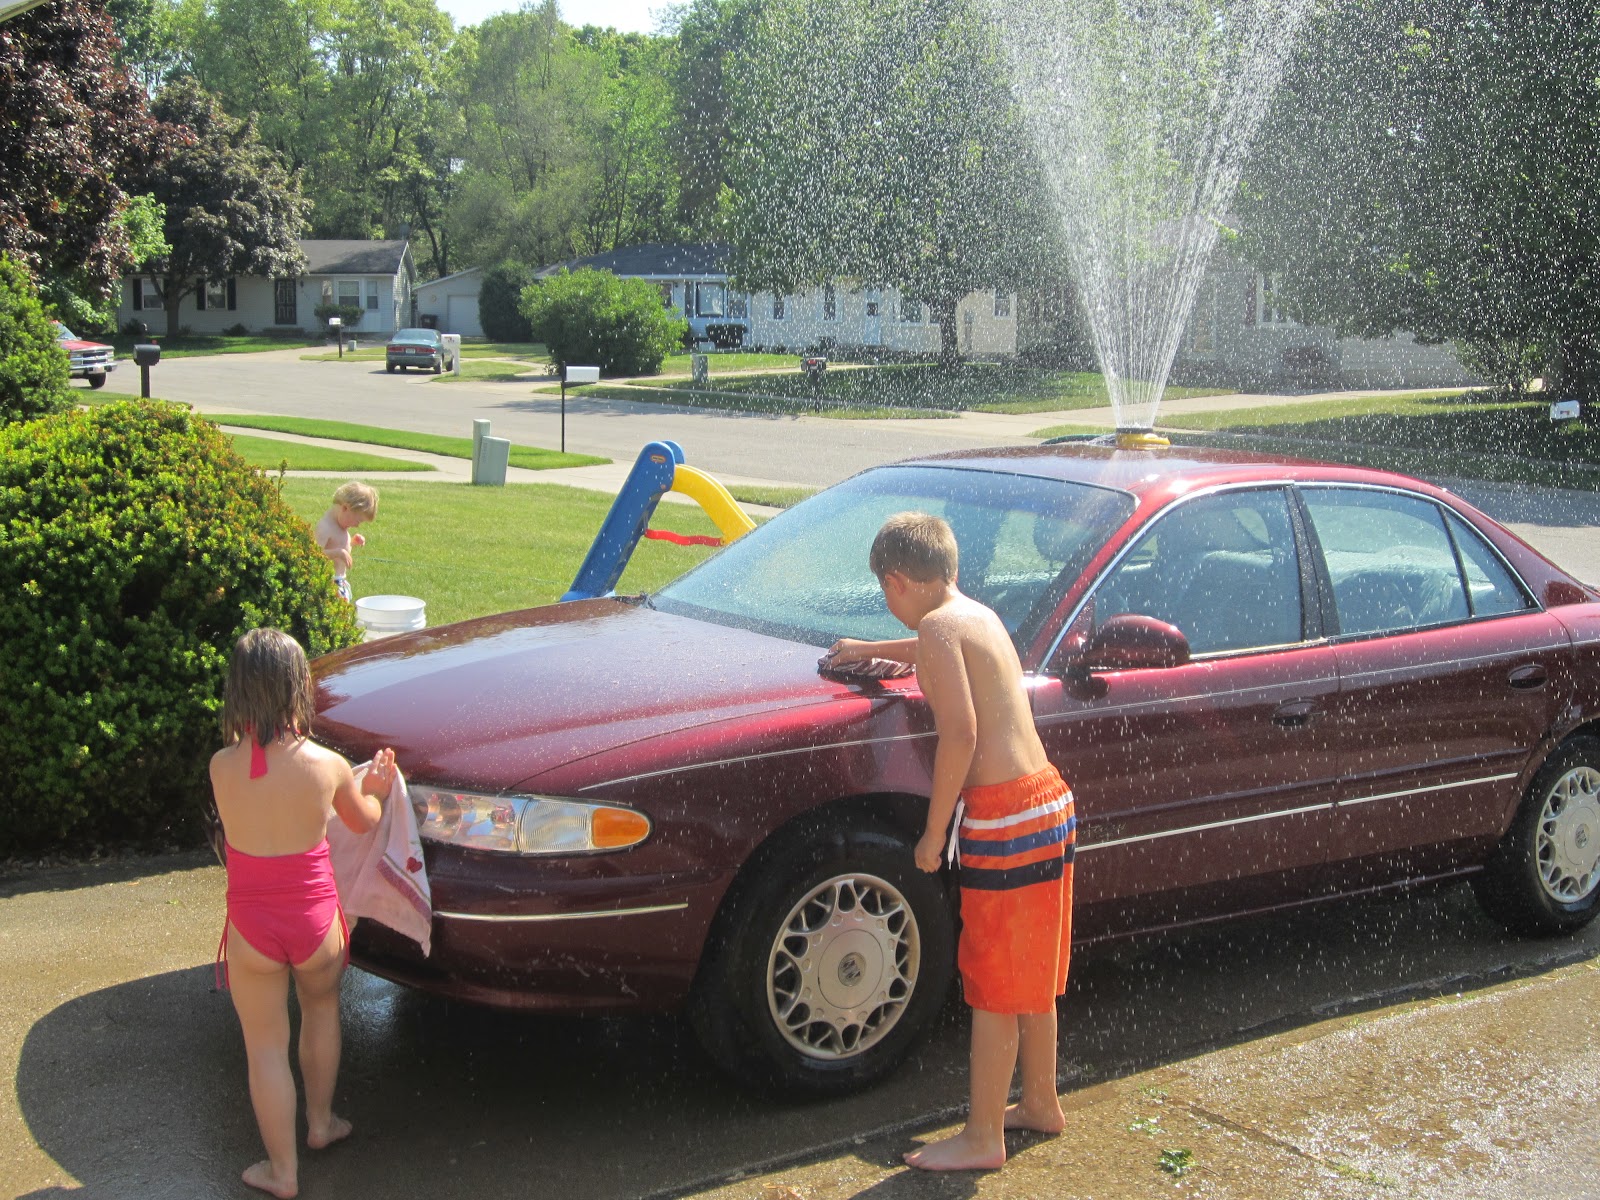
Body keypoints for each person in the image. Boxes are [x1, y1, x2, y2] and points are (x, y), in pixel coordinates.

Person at [829, 512, 1075, 1172]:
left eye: (885, 591)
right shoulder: (975, 617)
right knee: (1030, 975)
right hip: (1047, 803)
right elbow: (937, 645)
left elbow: (961, 734)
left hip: (1005, 819)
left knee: (994, 983)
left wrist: (935, 832)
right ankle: (1041, 1101)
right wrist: (868, 648)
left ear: (896, 581)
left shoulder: (938, 630)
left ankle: (983, 1136)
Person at [210, 627, 396, 1199]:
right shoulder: (328, 766)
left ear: (238, 690)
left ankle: (282, 1172)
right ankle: (321, 1123)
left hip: (251, 929)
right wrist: (377, 787)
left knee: (265, 1046)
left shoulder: (221, 767)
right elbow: (363, 822)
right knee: (321, 1012)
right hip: (316, 923)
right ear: (299, 688)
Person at [314, 481, 378, 601]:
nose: (357, 525)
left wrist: (352, 542)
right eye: (358, 520)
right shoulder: (325, 528)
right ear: (345, 508)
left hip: (341, 581)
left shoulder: (341, 525)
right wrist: (338, 553)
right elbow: (314, 555)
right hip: (329, 584)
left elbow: (338, 544)